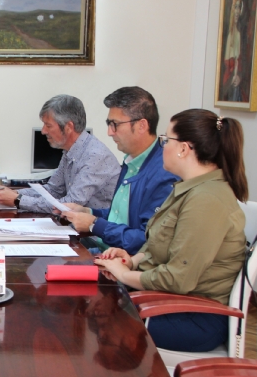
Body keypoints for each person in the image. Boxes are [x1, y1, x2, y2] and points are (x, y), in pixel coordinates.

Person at [96, 109, 248, 353]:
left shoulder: (206, 200)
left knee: (99, 317)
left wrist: (124, 275)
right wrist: (131, 261)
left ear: (184, 149)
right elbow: (157, 244)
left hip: (193, 315)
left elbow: (178, 278)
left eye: (166, 140)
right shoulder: (186, 189)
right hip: (170, 301)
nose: (162, 146)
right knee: (90, 296)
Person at [61, 87, 178, 254]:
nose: (110, 132)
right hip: (105, 252)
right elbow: (122, 214)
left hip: (125, 264)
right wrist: (88, 211)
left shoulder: (163, 173)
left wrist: (94, 224)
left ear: (141, 125)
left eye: (114, 124)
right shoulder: (132, 161)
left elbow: (146, 241)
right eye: (109, 124)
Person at [0, 95, 120, 213]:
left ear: (69, 127)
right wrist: (13, 193)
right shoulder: (71, 150)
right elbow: (53, 190)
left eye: (48, 125)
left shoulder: (95, 156)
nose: (43, 131)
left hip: (95, 236)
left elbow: (70, 205)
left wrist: (18, 200)